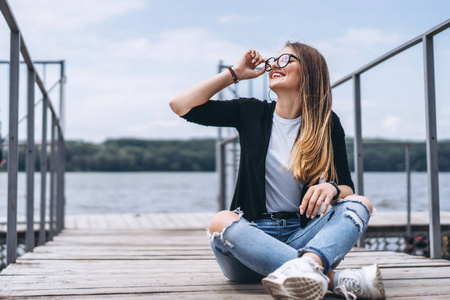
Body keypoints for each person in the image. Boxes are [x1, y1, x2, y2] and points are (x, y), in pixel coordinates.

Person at [169, 42, 385, 300]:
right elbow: (181, 105)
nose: (273, 65)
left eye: (285, 60)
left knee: (360, 203)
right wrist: (236, 72)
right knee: (221, 221)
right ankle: (330, 279)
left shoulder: (327, 123)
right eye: (274, 60)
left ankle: (305, 268)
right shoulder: (251, 112)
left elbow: (347, 187)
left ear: (309, 72)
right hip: (248, 246)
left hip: (304, 237)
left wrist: (332, 187)